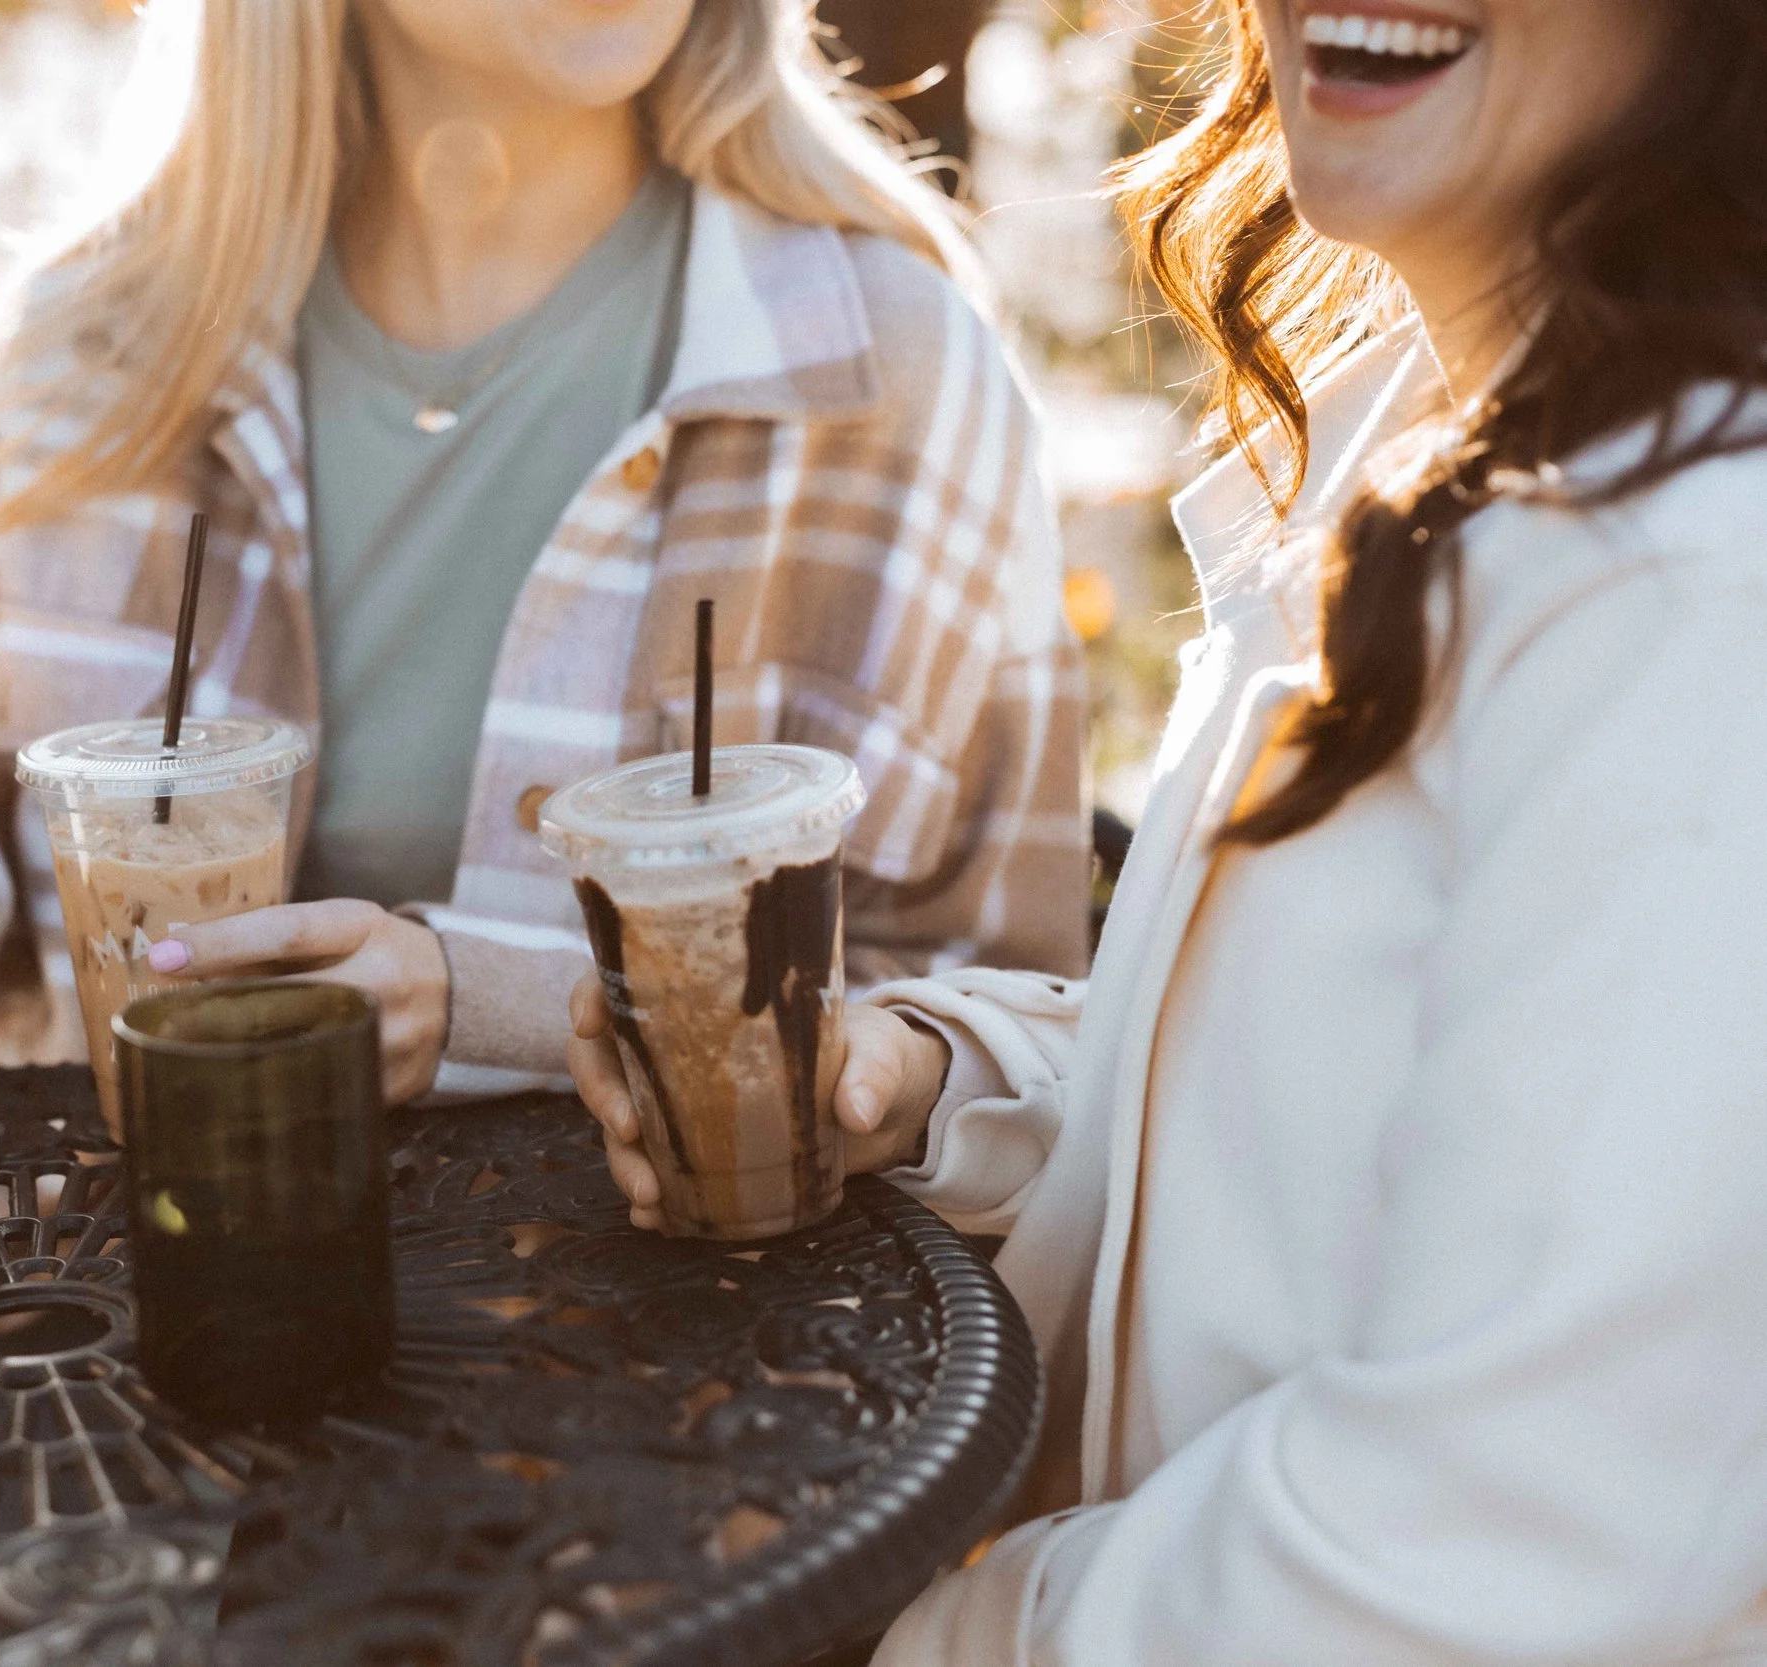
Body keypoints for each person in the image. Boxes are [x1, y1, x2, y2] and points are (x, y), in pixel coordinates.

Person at [577, 0, 1767, 1657]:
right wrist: (935, 1090)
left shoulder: (1698, 586)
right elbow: (1336, 1112)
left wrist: (894, 1620)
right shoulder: (1397, 448)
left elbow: (1481, 1561)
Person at [0, 0, 1090, 1104]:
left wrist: (489, 1005)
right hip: (131, 1380)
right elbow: (8, 996)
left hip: (691, 1398)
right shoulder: (74, 370)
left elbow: (1016, 1031)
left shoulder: (892, 377)